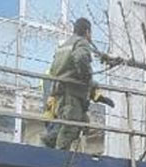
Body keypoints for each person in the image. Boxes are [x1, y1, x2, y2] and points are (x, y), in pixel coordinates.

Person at [42, 18, 113, 151]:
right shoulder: (81, 43)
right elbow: (80, 58)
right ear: (87, 32)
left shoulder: (63, 46)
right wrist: (87, 79)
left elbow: (54, 69)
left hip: (61, 93)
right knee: (71, 127)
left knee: (79, 122)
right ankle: (59, 156)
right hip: (72, 95)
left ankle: (50, 140)